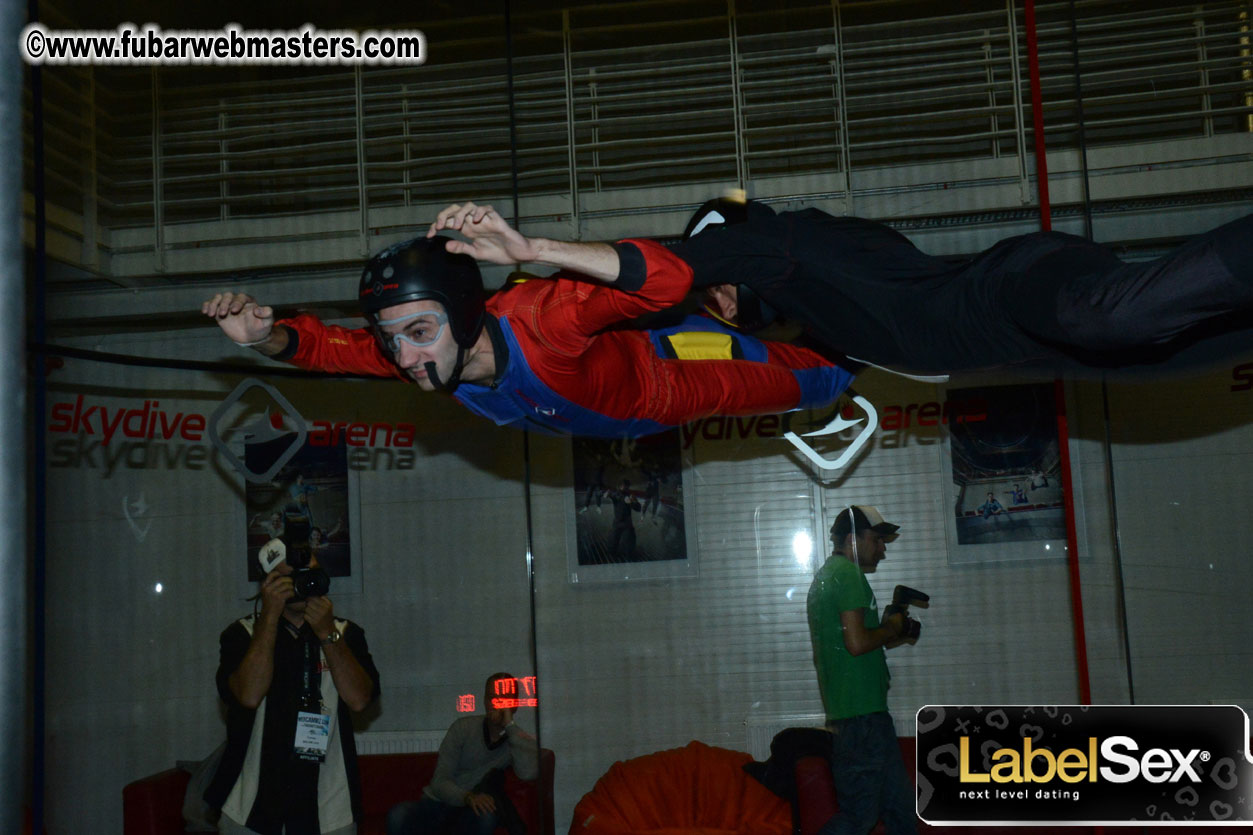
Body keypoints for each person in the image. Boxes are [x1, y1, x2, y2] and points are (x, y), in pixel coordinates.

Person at [201, 204, 856, 440]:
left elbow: (668, 279)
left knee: (825, 378)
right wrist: (265, 338)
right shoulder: (427, 358)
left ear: (464, 314)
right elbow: (331, 349)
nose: (402, 357)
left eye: (417, 333)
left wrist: (535, 250)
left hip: (670, 376)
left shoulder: (545, 319)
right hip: (628, 404)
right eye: (391, 339)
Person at [672, 196, 1253, 377]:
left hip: (1008, 288)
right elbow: (798, 377)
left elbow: (668, 268)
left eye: (715, 287)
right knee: (1179, 349)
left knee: (1108, 317)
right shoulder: (823, 320)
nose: (719, 305)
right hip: (1036, 342)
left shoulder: (791, 243)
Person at [205, 540, 381, 835]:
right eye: (290, 577)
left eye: (310, 573)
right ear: (268, 584)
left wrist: (327, 634)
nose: (302, 583)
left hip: (330, 807)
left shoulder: (345, 634)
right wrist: (269, 616)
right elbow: (248, 695)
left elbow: (360, 699)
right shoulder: (242, 634)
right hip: (248, 806)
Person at [806, 506, 918, 835]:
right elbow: (856, 643)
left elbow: (852, 643)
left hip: (862, 715)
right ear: (853, 539)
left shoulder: (828, 576)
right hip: (861, 719)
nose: (882, 548)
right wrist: (893, 627)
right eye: (877, 539)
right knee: (858, 818)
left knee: (900, 813)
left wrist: (888, 629)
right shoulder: (849, 576)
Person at [386, 673, 539, 835]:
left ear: (514, 705)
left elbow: (529, 772)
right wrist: (467, 797)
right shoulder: (463, 728)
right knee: (398, 815)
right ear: (484, 701)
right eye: (492, 698)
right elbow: (440, 781)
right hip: (439, 803)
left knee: (486, 818)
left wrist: (509, 724)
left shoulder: (516, 740)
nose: (497, 704)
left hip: (471, 811)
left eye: (504, 699)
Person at [607, 478, 642, 561]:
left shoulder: (630, 495)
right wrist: (607, 494)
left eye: (626, 486)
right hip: (617, 523)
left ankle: (629, 555)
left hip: (627, 524)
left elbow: (638, 508)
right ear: (619, 486)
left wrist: (633, 502)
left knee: (630, 546)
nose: (625, 487)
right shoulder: (616, 494)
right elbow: (614, 495)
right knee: (612, 546)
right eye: (623, 486)